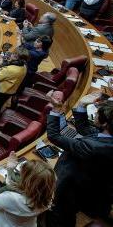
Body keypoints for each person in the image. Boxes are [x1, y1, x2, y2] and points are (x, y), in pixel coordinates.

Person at [46, 92, 113, 227]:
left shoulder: (92, 147)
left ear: (105, 123)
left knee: (62, 217)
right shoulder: (108, 135)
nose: (95, 115)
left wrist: (56, 109)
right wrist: (82, 105)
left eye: (98, 113)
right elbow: (84, 128)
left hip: (75, 189)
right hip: (94, 184)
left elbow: (53, 135)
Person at [0, 152, 55, 227]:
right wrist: (10, 170)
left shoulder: (12, 198)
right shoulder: (47, 196)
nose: (20, 176)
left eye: (22, 175)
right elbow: (19, 188)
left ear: (27, 181)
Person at [0, 47, 29, 120]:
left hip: (1, 92)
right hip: (10, 91)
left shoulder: (10, 69)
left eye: (13, 54)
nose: (11, 55)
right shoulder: (24, 66)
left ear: (16, 57)